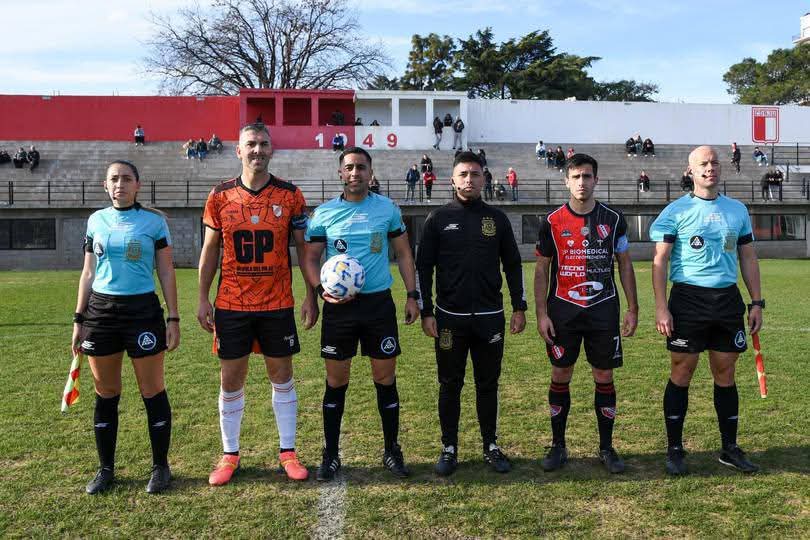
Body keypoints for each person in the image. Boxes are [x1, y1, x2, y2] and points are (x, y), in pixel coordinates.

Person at [198, 123, 317, 486]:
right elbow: (210, 250)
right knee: (231, 379)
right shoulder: (219, 196)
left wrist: (311, 294)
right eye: (251, 144)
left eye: (264, 144)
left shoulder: (290, 195)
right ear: (238, 150)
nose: (257, 150)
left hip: (277, 303)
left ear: (271, 150)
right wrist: (202, 297)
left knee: (282, 376)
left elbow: (304, 248)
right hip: (231, 303)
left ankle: (288, 452)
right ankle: (229, 454)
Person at [302, 146, 420, 481]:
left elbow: (404, 254)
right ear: (340, 173)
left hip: (378, 305)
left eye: (361, 167)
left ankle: (392, 450)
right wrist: (319, 291)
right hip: (338, 309)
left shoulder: (387, 209)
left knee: (385, 378)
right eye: (350, 167)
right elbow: (310, 258)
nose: (355, 173)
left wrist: (412, 296)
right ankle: (330, 453)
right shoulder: (324, 214)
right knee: (336, 381)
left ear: (371, 173)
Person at [650, 145, 764, 476]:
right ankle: (675, 449)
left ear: (721, 168)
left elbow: (748, 257)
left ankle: (729, 448)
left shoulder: (737, 210)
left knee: (725, 373)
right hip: (688, 299)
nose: (709, 167)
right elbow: (660, 261)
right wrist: (661, 307)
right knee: (682, 371)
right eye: (703, 163)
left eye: (714, 162)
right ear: (691, 170)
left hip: (727, 299)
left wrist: (756, 302)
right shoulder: (675, 211)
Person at [416, 151, 527, 476]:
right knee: (450, 384)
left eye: (475, 174)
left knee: (488, 383)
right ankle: (449, 447)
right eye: (463, 174)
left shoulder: (497, 219)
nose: (469, 179)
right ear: (452, 179)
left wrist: (519, 306)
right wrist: (426, 312)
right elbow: (423, 268)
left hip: (491, 317)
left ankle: (490, 445)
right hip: (449, 319)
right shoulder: (437, 218)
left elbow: (513, 264)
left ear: (484, 179)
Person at [72, 160, 179, 494]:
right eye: (114, 179)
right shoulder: (95, 220)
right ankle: (105, 469)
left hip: (142, 312)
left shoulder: (154, 223)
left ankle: (161, 467)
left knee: (152, 390)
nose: (120, 184)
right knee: (106, 392)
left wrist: (173, 317)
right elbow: (88, 272)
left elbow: (166, 271)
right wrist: (78, 318)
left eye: (126, 178)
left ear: (138, 185)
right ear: (105, 185)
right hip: (100, 313)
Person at [534, 153, 639, 474]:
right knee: (560, 374)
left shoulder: (614, 219)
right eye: (576, 177)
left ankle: (606, 447)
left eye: (587, 176)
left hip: (602, 309)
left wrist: (633, 308)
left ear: (596, 180)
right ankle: (558, 445)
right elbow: (541, 269)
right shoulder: (552, 221)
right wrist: (541, 313)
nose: (582, 182)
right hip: (563, 311)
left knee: (604, 376)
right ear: (566, 181)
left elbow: (625, 264)